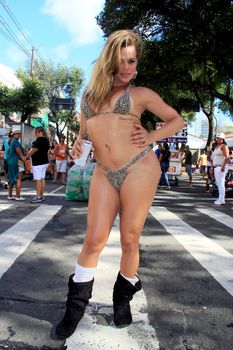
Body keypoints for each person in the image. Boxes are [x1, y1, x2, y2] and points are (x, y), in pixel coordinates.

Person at [55, 29, 184, 339]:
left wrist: (152, 136)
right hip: (103, 171)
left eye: (132, 61)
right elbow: (85, 136)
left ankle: (122, 296)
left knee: (129, 237)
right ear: (108, 61)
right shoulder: (88, 99)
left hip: (138, 167)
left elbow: (176, 120)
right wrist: (77, 143)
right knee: (94, 239)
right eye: (121, 60)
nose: (127, 67)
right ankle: (75, 307)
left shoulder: (140, 94)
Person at [26, 127, 50, 203]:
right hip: (44, 162)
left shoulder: (39, 140)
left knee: (38, 180)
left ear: (43, 132)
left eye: (39, 131)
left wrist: (26, 156)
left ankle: (38, 196)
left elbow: (34, 149)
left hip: (38, 163)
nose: (38, 133)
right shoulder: (46, 140)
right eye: (36, 132)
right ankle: (41, 195)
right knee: (42, 179)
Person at [7, 129, 26, 200]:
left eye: (19, 133)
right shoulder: (15, 142)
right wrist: (23, 158)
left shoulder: (12, 141)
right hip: (17, 161)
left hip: (11, 161)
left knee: (11, 178)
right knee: (18, 178)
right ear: (13, 135)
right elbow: (19, 152)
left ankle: (10, 195)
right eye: (17, 133)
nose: (18, 134)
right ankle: (18, 196)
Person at [210, 132, 229, 205]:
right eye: (217, 138)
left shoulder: (224, 146)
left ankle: (221, 199)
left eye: (219, 138)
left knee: (221, 184)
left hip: (220, 167)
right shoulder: (217, 146)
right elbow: (214, 158)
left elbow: (227, 157)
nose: (217, 139)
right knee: (218, 183)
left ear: (222, 139)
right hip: (216, 167)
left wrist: (223, 167)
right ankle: (221, 199)